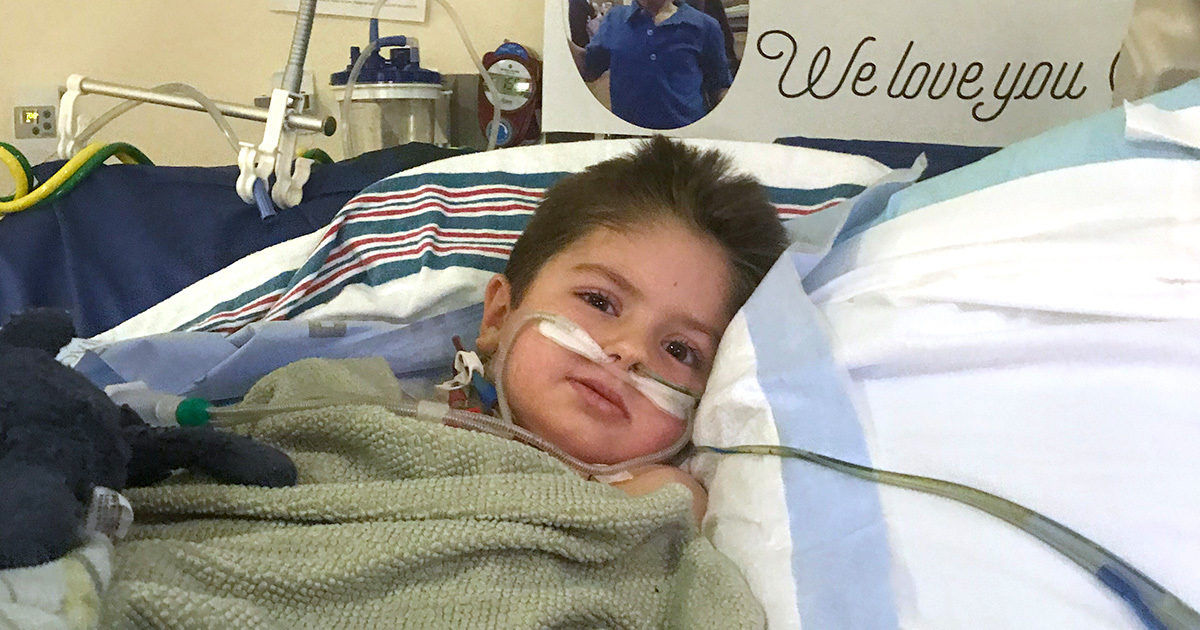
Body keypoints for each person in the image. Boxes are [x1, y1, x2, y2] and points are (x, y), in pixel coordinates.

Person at [472, 137, 788, 521]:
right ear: (499, 316)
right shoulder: (397, 423)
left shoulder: (668, 509)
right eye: (599, 302)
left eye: (679, 350)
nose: (632, 351)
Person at [568, 0, 734, 129]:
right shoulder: (615, 19)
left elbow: (719, 86)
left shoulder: (705, 25)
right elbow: (588, 68)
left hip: (686, 137)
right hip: (627, 137)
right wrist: (557, 37)